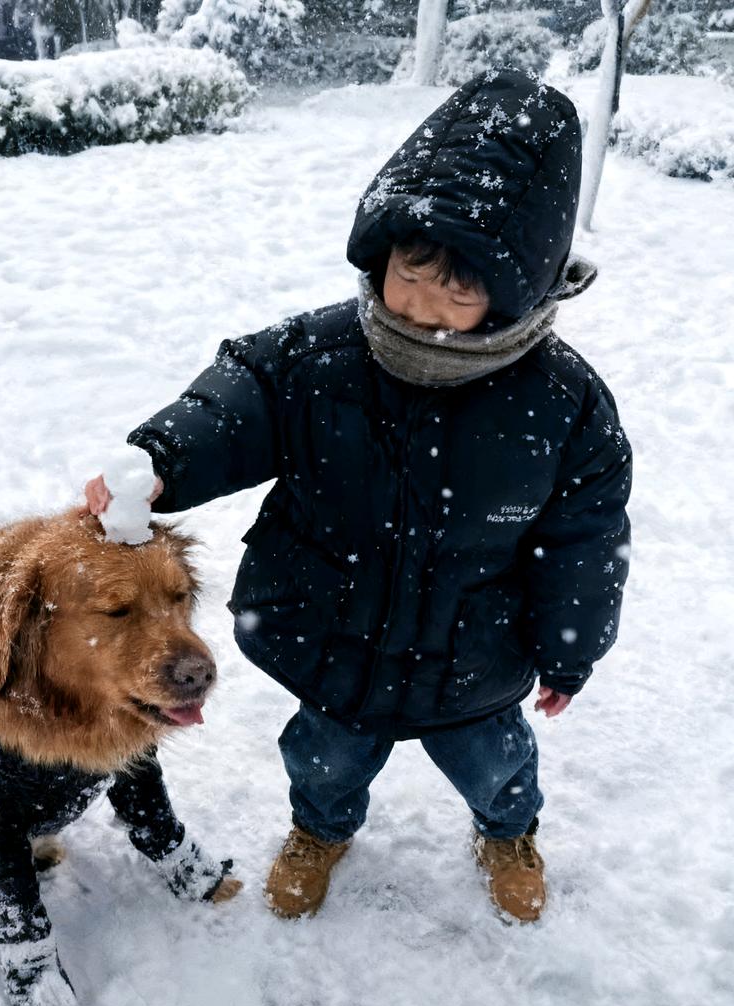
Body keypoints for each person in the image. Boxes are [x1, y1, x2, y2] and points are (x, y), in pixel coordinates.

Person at [85, 69, 631, 923]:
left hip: (474, 659)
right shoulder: (319, 357)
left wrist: (570, 649)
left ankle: (508, 832)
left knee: (497, 766)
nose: (424, 306)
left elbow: (587, 542)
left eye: (461, 289)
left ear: (521, 286)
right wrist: (163, 459)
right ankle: (320, 830)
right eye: (412, 271)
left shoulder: (564, 405)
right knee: (324, 760)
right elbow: (240, 400)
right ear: (382, 250)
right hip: (335, 636)